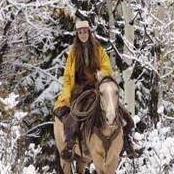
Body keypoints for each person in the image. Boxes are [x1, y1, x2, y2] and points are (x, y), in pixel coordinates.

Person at [53, 19, 136, 161]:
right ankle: (69, 145)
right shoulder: (73, 53)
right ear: (77, 35)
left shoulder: (99, 50)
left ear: (89, 33)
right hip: (80, 90)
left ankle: (128, 143)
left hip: (97, 87)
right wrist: (67, 93)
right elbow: (67, 75)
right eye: (80, 32)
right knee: (72, 117)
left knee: (123, 113)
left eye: (85, 32)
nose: (83, 34)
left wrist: (99, 77)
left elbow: (106, 67)